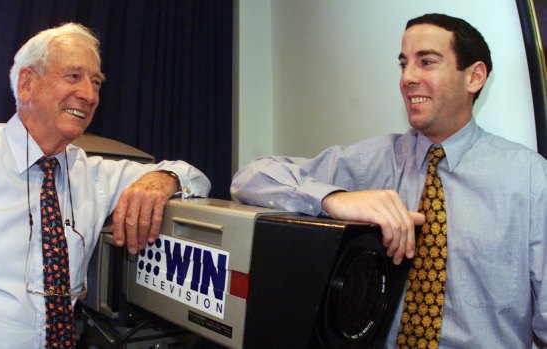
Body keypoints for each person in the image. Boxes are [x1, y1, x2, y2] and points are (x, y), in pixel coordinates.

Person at [231, 13, 547, 348]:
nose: (408, 78)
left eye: (426, 62)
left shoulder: (529, 178)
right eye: (403, 64)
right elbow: (249, 178)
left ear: (474, 77)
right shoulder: (373, 162)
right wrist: (332, 198)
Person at [0, 23, 210, 348]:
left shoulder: (94, 175)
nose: (89, 96)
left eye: (96, 82)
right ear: (27, 84)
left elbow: (194, 176)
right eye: (73, 77)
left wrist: (163, 179)